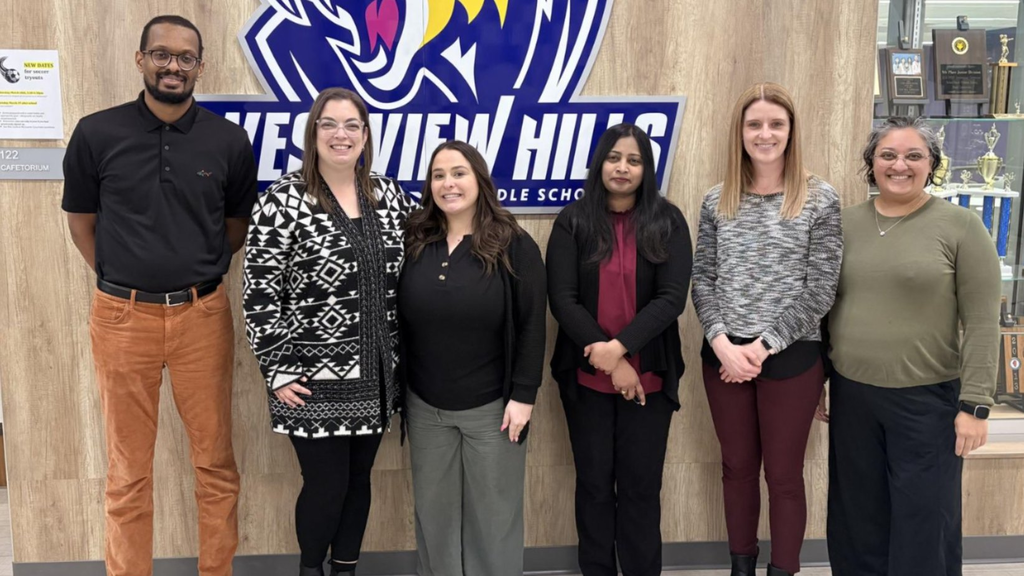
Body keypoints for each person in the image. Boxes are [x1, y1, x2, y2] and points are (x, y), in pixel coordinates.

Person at [61, 15, 255, 576]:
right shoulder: (97, 133)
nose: (174, 66)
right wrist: (121, 282)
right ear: (140, 58)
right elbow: (81, 221)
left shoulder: (228, 141)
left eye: (185, 57)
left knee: (216, 464)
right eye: (162, 55)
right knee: (127, 470)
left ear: (201, 65)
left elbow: (235, 227)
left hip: (203, 316)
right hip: (121, 319)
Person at [242, 88, 417, 576]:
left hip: (379, 375)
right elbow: (259, 291)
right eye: (329, 124)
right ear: (313, 133)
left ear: (366, 134)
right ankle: (309, 569)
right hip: (307, 378)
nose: (341, 134)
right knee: (325, 484)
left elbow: (416, 270)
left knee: (359, 479)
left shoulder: (389, 195)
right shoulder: (284, 200)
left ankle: (345, 569)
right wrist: (277, 369)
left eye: (352, 125)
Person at [826, 117, 997, 576]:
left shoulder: (961, 227)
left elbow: (982, 322)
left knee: (924, 522)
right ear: (871, 163)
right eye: (888, 155)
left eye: (913, 156)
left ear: (932, 165)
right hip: (852, 396)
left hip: (928, 403)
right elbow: (822, 306)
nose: (899, 165)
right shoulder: (843, 224)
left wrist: (976, 403)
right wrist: (819, 379)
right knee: (856, 519)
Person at [691, 82, 842, 576]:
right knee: (735, 469)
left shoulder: (819, 199)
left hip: (792, 357)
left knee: (782, 476)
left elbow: (821, 287)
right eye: (754, 124)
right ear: (740, 132)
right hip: (723, 357)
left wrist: (761, 347)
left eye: (776, 123)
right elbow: (703, 278)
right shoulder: (718, 200)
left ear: (791, 131)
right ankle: (742, 566)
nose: (765, 133)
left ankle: (784, 568)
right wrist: (721, 342)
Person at [547, 123, 693, 576]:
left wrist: (623, 352)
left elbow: (671, 299)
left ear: (646, 169)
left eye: (633, 160)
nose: (623, 168)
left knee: (640, 489)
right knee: (592, 487)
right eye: (614, 158)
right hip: (587, 381)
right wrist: (609, 360)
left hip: (647, 379)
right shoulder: (573, 221)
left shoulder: (667, 221)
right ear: (600, 163)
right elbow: (562, 299)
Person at [398, 140, 547, 576]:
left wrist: (524, 396)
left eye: (459, 173)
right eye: (439, 175)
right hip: (425, 407)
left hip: (494, 411)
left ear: (479, 180)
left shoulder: (514, 245)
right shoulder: (416, 239)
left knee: (493, 521)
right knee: (434, 519)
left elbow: (533, 324)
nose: (448, 183)